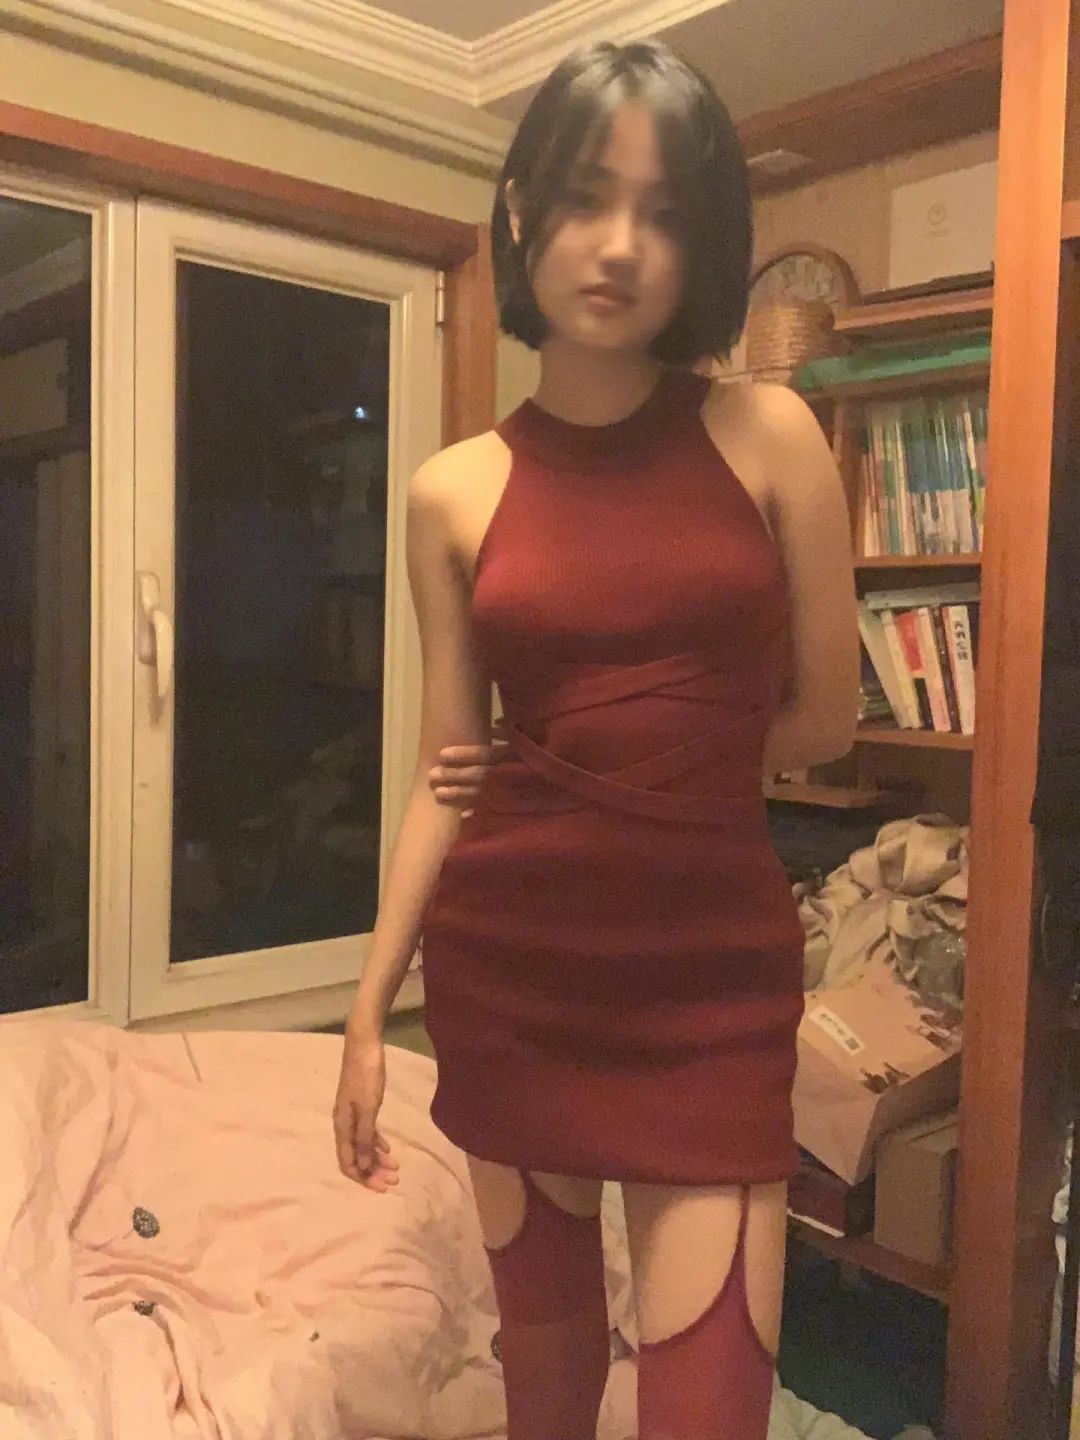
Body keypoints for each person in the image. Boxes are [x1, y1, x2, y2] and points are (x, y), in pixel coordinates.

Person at [333, 37, 858, 1440]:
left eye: (664, 212)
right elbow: (449, 772)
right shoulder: (452, 491)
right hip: (512, 970)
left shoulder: (772, 433)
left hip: (712, 981)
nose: (620, 244)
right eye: (584, 198)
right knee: (547, 1397)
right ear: (519, 213)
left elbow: (826, 715)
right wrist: (369, 1012)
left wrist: (659, 772)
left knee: (710, 1410)